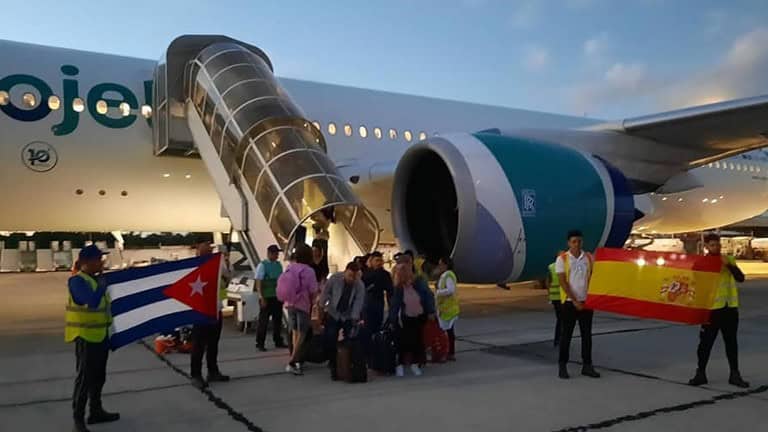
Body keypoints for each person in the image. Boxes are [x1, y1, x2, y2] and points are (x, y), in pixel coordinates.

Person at [66, 245, 120, 432]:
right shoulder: (77, 281)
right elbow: (90, 302)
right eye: (99, 259)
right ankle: (78, 420)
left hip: (100, 336)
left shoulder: (94, 279)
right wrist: (102, 286)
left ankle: (96, 411)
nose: (102, 262)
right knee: (84, 380)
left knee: (99, 377)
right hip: (86, 337)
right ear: (87, 262)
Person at [689, 234, 750, 388]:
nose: (716, 248)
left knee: (731, 343)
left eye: (718, 245)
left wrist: (729, 265)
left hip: (729, 308)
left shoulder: (728, 260)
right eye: (713, 245)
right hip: (712, 309)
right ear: (707, 247)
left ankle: (734, 374)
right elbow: (695, 282)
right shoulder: (701, 263)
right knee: (705, 344)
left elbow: (740, 278)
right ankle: (700, 373)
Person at [556, 230, 600, 379]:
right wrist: (574, 300)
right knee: (566, 335)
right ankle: (562, 365)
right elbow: (563, 282)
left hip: (586, 302)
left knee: (586, 336)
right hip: (569, 303)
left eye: (579, 241)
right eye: (574, 241)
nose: (577, 244)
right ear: (569, 243)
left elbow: (594, 277)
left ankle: (587, 365)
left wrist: (589, 299)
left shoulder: (588, 258)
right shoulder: (562, 259)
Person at [190, 241, 230, 389]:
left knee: (213, 343)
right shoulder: (192, 265)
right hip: (200, 310)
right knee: (198, 345)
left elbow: (227, 278)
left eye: (210, 248)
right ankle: (196, 374)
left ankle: (213, 371)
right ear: (198, 249)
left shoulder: (218, 263)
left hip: (215, 308)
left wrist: (226, 261)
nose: (209, 250)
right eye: (205, 248)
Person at [320, 262, 366, 380]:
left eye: (355, 276)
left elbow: (358, 302)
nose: (352, 279)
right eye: (350, 275)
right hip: (333, 312)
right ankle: (333, 365)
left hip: (348, 315)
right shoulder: (335, 278)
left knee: (348, 341)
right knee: (330, 338)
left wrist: (354, 318)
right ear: (345, 272)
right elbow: (326, 292)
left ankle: (345, 365)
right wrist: (322, 305)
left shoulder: (359, 285)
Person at [388, 263, 436, 377]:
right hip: (405, 318)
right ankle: (399, 364)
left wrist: (430, 311)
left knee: (417, 340)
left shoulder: (418, 284)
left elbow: (427, 297)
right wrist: (393, 319)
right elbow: (395, 305)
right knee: (403, 342)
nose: (408, 279)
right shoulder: (399, 289)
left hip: (418, 317)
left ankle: (414, 363)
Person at [278, 244, 318, 375]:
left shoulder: (290, 267)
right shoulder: (309, 271)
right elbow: (313, 290)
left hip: (290, 304)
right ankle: (293, 360)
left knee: (294, 331)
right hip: (303, 304)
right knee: (302, 333)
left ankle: (295, 361)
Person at [361, 252, 393, 361]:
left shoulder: (385, 274)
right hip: (367, 304)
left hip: (379, 304)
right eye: (376, 260)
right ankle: (367, 355)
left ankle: (376, 354)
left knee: (377, 329)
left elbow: (390, 291)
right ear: (371, 261)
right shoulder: (366, 274)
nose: (379, 263)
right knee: (367, 330)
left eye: (380, 260)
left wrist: (391, 308)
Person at [255, 245, 287, 352]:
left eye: (277, 253)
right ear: (269, 253)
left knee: (277, 320)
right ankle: (260, 343)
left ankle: (278, 340)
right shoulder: (262, 265)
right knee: (263, 321)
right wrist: (261, 297)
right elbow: (259, 282)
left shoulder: (278, 265)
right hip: (267, 296)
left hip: (277, 296)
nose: (277, 255)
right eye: (275, 253)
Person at [434, 256, 459, 361]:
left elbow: (451, 290)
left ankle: (449, 352)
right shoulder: (445, 275)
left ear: (446, 265)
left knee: (447, 332)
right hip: (445, 308)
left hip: (448, 308)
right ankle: (449, 352)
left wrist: (438, 292)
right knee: (448, 331)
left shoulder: (448, 275)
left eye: (441, 264)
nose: (439, 266)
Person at [545, 253, 563, 347]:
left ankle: (558, 339)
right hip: (562, 298)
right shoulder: (564, 267)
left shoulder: (551, 267)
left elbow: (547, 282)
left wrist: (549, 294)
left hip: (554, 297)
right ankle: (559, 339)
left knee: (560, 319)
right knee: (562, 319)